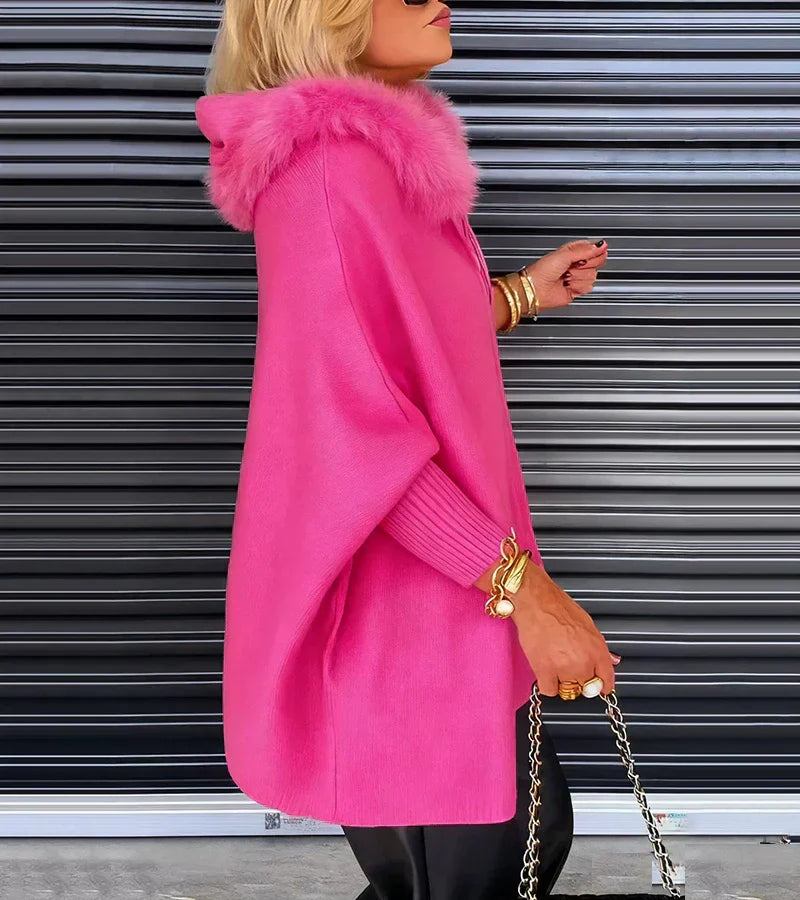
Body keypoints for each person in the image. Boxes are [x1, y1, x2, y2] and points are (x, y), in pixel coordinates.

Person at [195, 0, 619, 896]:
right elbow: (353, 440)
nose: (438, 1)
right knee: (489, 860)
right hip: (405, 626)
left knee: (498, 850)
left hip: (445, 605)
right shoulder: (328, 173)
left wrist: (518, 295)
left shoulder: (374, 165)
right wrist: (528, 596)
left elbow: (397, 336)